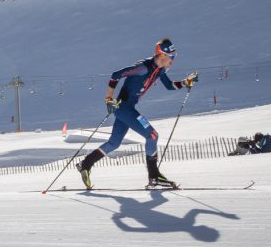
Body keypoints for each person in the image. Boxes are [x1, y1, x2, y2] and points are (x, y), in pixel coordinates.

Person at [77, 39, 198, 189]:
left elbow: (170, 86)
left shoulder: (160, 70)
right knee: (152, 135)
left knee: (114, 143)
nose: (173, 59)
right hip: (123, 108)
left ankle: (85, 164)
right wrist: (108, 99)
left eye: (174, 55)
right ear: (162, 55)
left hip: (127, 108)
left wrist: (186, 82)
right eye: (171, 56)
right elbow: (115, 75)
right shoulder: (143, 68)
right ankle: (154, 177)